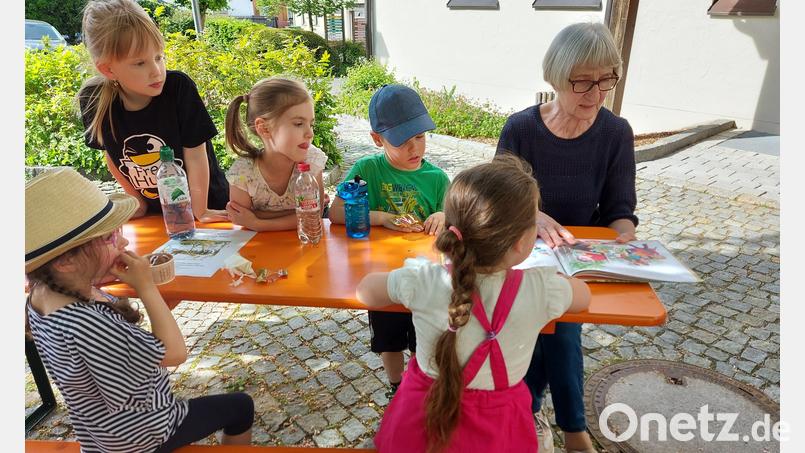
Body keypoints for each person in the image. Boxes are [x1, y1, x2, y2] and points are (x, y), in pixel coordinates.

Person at [356, 154, 591, 453]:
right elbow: (584, 296)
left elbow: (366, 291)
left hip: (421, 421)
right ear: (521, 243)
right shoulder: (541, 289)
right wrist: (554, 278)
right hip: (498, 429)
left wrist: (409, 274)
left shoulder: (423, 279)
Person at [25, 168, 254, 452]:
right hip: (143, 434)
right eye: (110, 237)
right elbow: (173, 353)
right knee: (241, 406)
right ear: (65, 263)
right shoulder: (88, 324)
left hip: (99, 432)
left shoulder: (42, 295)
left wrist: (99, 271)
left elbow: (104, 317)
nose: (122, 242)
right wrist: (147, 288)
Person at [496, 22, 639, 453]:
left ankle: (536, 409)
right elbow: (497, 196)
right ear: (557, 77)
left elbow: (620, 212)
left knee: (559, 325)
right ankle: (569, 425)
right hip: (520, 252)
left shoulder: (616, 133)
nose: (596, 95)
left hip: (577, 258)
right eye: (583, 82)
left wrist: (625, 244)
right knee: (548, 325)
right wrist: (533, 214)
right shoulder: (521, 129)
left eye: (606, 81)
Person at [330, 83, 451, 398]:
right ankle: (397, 386)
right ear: (377, 139)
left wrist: (443, 216)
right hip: (382, 276)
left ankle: (423, 385)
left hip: (425, 278)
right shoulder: (366, 169)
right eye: (403, 141)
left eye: (420, 137)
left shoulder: (437, 178)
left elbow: (455, 217)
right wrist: (382, 217)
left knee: (425, 336)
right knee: (387, 337)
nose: (415, 149)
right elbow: (337, 211)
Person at [78, 0, 229, 223]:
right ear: (108, 69)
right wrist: (135, 199)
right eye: (140, 63)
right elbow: (110, 154)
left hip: (207, 208)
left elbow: (196, 154)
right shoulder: (93, 98)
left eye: (159, 57)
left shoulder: (178, 88)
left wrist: (200, 210)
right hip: (156, 218)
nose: (157, 71)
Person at [224, 77, 328, 231]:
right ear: (264, 128)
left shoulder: (311, 161)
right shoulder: (243, 173)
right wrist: (297, 213)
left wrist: (258, 221)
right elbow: (241, 219)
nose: (310, 133)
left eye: (311, 124)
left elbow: (313, 216)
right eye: (299, 124)